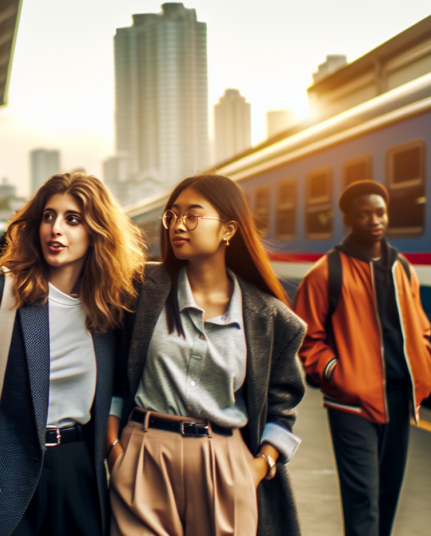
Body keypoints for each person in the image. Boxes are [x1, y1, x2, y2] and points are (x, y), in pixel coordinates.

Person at [0, 173, 147, 536]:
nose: (56, 229)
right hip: (2, 469)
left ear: (97, 232)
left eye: (72, 220)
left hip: (79, 468)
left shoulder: (109, 308)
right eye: (48, 216)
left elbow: (121, 385)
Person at [111, 173, 306, 536]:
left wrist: (259, 466)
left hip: (225, 464)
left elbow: (283, 405)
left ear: (229, 230)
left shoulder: (271, 318)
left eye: (193, 215)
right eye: (172, 215)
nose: (178, 225)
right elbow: (112, 375)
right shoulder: (141, 289)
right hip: (143, 454)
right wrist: (114, 449)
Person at [294, 180, 431, 536]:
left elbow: (420, 326)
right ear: (349, 219)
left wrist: (425, 363)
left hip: (399, 398)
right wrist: (337, 374)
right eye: (364, 214)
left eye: (380, 212)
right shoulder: (326, 272)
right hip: (352, 403)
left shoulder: (401, 267)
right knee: (363, 500)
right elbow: (307, 338)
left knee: (387, 496)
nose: (375, 220)